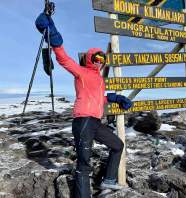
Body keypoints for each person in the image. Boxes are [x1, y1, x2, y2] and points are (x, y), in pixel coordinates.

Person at [35, 12, 132, 197]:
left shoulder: (99, 79)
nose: (99, 62)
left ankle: (109, 181)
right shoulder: (81, 73)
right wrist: (54, 37)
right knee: (84, 163)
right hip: (83, 121)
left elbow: (99, 99)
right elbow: (64, 59)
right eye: (96, 58)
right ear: (89, 58)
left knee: (117, 145)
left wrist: (116, 98)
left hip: (95, 122)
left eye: (102, 59)